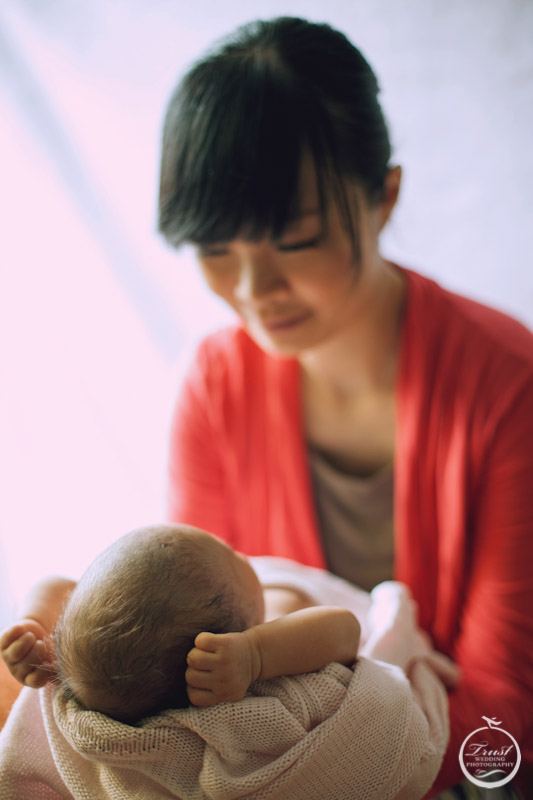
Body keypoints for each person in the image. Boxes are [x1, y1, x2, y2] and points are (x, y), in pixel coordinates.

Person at [158, 16, 533, 795]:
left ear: (383, 197)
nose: (254, 294)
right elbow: (196, 632)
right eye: (216, 250)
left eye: (293, 240)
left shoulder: (506, 387)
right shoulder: (213, 389)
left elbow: (498, 713)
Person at [0, 523, 365, 722]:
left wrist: (34, 622)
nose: (240, 552)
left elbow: (55, 585)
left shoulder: (91, 651)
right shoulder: (267, 622)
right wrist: (256, 655)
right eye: (233, 557)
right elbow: (346, 630)